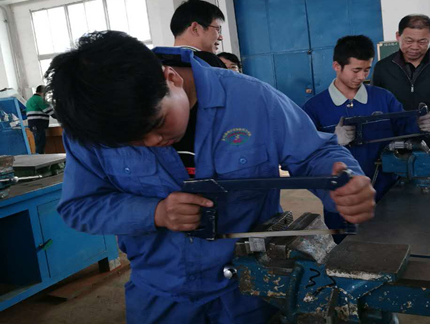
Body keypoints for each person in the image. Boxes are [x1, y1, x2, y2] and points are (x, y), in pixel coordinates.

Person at [45, 31, 376, 324]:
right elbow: (80, 206)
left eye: (156, 125)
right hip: (159, 294)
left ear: (171, 77)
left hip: (250, 288)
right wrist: (155, 213)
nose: (152, 143)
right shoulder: (92, 126)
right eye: (131, 144)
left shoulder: (251, 99)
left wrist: (342, 181)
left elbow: (314, 153)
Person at [302, 35, 430, 242]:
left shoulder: (383, 98)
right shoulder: (314, 108)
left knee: (390, 243)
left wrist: (423, 124)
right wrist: (331, 140)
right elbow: (303, 155)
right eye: (356, 70)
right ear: (337, 66)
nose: (362, 76)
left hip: (387, 193)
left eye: (366, 69)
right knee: (346, 248)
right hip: (343, 199)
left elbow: (405, 127)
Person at [372, 15, 430, 148]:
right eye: (409, 41)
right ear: (398, 36)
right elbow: (377, 105)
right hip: (394, 143)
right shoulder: (383, 68)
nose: (415, 47)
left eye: (422, 41)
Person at [171, 0, 227, 68]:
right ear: (195, 28)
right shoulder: (209, 63)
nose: (220, 37)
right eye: (217, 29)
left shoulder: (160, 62)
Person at [25, 85, 54, 154]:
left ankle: (39, 156)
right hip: (39, 124)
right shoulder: (40, 100)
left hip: (32, 124)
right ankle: (41, 158)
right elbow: (51, 112)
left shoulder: (30, 100)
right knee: (40, 144)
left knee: (38, 143)